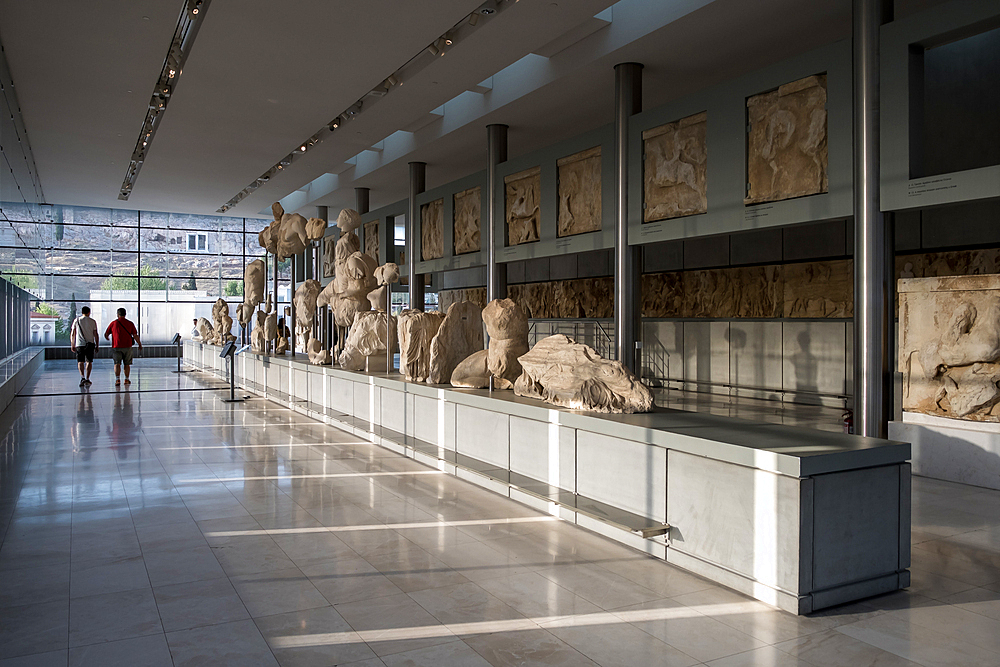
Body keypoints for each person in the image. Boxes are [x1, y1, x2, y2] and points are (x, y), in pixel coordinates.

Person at [104, 307, 142, 386]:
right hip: (127, 346)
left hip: (116, 346)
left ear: (117, 314)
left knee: (117, 363)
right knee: (127, 364)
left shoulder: (113, 323)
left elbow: (106, 334)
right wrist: (139, 344)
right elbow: (135, 335)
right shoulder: (130, 323)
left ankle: (117, 379)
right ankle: (126, 379)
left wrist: (107, 337)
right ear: (125, 314)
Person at [70, 306, 99, 386]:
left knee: (80, 361)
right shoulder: (92, 321)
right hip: (90, 344)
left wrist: (72, 344)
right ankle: (87, 378)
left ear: (82, 312)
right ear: (89, 312)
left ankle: (82, 377)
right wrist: (97, 345)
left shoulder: (77, 320)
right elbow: (95, 334)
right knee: (89, 361)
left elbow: (73, 333)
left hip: (79, 344)